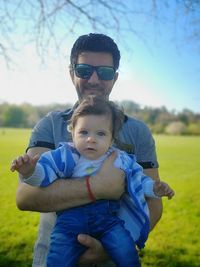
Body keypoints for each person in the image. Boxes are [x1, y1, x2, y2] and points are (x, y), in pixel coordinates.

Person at [15, 33, 164, 267]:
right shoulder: (50, 124)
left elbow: (153, 203)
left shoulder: (138, 132)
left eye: (104, 72)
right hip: (55, 250)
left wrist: (106, 251)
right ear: (71, 73)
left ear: (114, 78)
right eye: (84, 70)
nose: (94, 79)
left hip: (114, 251)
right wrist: (98, 186)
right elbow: (25, 196)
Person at [11, 96, 174, 267]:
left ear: (112, 139)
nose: (91, 139)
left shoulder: (120, 159)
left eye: (101, 133)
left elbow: (137, 180)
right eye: (84, 132)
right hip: (69, 220)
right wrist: (30, 171)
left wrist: (154, 188)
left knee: (126, 251)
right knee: (58, 257)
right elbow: (43, 177)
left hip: (107, 219)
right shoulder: (65, 155)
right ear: (73, 134)